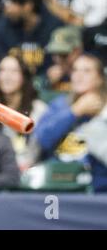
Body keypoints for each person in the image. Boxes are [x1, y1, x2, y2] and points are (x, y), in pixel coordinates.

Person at [33, 54, 107, 192]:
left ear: (100, 78)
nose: (79, 75)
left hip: (98, 188)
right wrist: (74, 112)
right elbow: (41, 139)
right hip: (57, 183)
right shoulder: (59, 105)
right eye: (75, 70)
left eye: (86, 71)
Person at [0, 55, 47, 170]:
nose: (7, 76)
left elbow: (41, 148)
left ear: (24, 77)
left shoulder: (39, 110)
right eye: (2, 70)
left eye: (14, 71)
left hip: (32, 172)